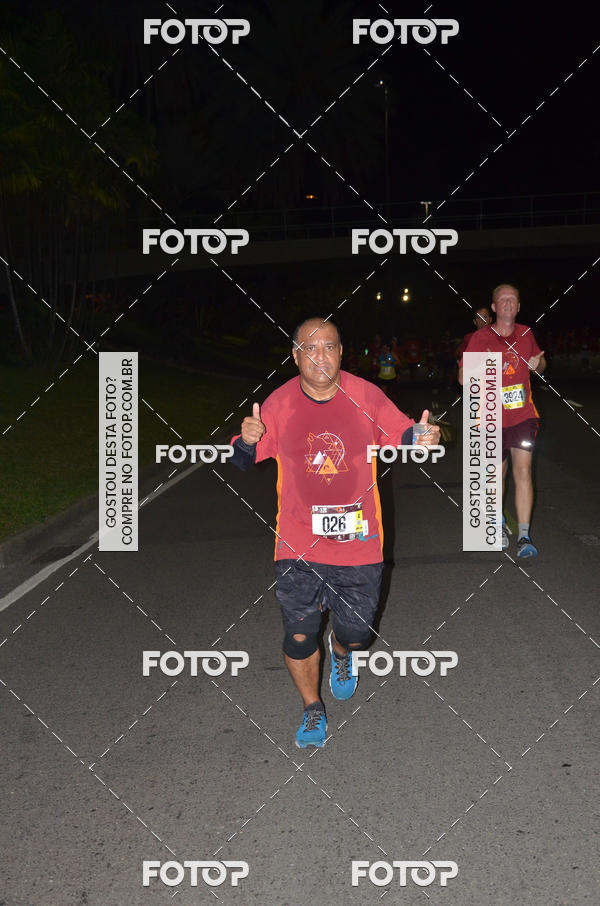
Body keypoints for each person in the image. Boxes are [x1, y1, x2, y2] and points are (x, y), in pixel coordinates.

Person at [230, 318, 441, 748]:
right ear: (296, 357)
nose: (320, 356)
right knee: (300, 634)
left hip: (359, 544)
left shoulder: (365, 394)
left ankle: (343, 655)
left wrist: (422, 436)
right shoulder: (280, 402)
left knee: (356, 631)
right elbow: (242, 458)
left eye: (328, 347)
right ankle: (312, 708)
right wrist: (247, 438)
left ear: (341, 352)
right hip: (297, 542)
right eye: (310, 349)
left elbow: (402, 432)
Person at [459, 285, 546, 557]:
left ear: (518, 307)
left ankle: (524, 537)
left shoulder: (526, 333)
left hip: (522, 416)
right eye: (502, 299)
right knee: (497, 476)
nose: (508, 303)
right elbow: (463, 379)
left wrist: (538, 366)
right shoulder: (480, 337)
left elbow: (541, 365)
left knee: (523, 471)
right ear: (494, 307)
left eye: (513, 300)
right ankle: (496, 527)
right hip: (490, 419)